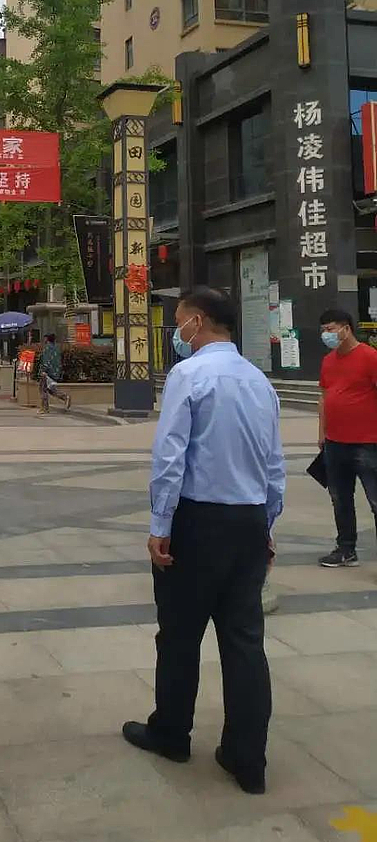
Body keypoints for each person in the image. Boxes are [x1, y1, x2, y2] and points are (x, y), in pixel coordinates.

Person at [122, 286, 285, 795]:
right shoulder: (260, 381)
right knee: (244, 642)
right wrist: (267, 526)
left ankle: (171, 732)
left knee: (179, 635)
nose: (178, 332)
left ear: (199, 321)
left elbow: (171, 456)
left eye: (180, 321)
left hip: (198, 523)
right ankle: (247, 758)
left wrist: (160, 525)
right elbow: (274, 464)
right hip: (248, 522)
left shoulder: (189, 375)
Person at [317, 308, 377, 567]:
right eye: (323, 330)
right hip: (335, 442)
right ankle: (346, 549)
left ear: (346, 328)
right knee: (340, 499)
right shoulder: (328, 361)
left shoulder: (370, 357)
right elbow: (324, 397)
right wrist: (322, 433)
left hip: (367, 442)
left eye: (330, 329)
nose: (326, 335)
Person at [38, 333, 71, 414]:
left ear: (47, 339)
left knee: (43, 389)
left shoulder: (47, 348)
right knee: (51, 389)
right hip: (55, 372)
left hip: (47, 373)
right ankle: (65, 397)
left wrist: (44, 371)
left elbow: (46, 361)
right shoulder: (56, 348)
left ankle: (44, 408)